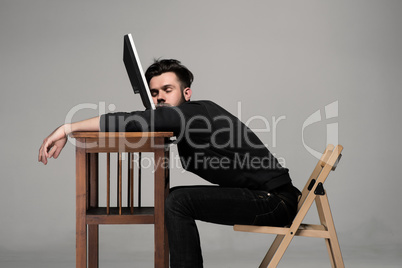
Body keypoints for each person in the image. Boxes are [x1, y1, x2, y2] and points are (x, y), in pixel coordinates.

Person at [38, 59, 301, 268]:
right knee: (174, 198)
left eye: (167, 89)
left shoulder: (196, 113)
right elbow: (140, 121)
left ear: (186, 93)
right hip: (266, 197)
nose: (160, 97)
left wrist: (68, 128)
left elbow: (132, 120)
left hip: (275, 201)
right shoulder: (185, 123)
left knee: (177, 201)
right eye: (154, 93)